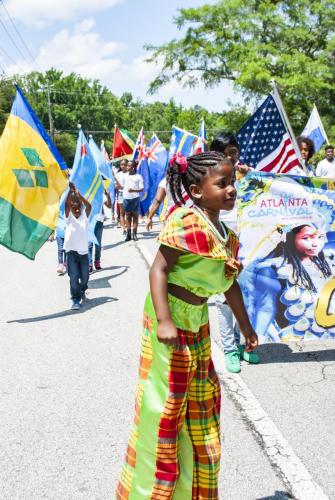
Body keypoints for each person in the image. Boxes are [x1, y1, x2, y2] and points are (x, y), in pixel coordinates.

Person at [116, 151, 258, 499]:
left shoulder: (225, 234)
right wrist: (164, 320)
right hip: (170, 319)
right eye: (221, 184)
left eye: (232, 184)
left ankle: (193, 492)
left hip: (197, 320)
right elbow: (158, 270)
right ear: (196, 190)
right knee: (165, 409)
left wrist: (246, 326)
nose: (230, 190)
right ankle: (151, 493)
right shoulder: (185, 222)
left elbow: (229, 283)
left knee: (201, 406)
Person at [210, 130, 259, 373]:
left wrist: (252, 180)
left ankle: (242, 346)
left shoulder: (244, 176)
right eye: (227, 153)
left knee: (243, 297)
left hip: (245, 244)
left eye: (235, 152)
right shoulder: (211, 178)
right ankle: (229, 349)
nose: (233, 157)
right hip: (221, 243)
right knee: (223, 299)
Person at [240, 223, 334, 342]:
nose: (315, 243)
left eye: (319, 237)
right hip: (290, 324)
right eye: (306, 238)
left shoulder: (327, 257)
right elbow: (266, 308)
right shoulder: (274, 265)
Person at [64, 182, 91, 310]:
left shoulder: (84, 217)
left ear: (81, 207)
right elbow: (67, 204)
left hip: (84, 253)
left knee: (85, 277)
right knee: (73, 276)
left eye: (78, 207)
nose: (76, 209)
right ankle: (75, 299)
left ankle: (82, 289)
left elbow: (89, 205)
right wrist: (70, 192)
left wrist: (80, 196)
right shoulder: (69, 218)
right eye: (73, 207)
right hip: (71, 252)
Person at [88, 190, 111, 272]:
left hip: (99, 221)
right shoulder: (86, 193)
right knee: (89, 244)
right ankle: (89, 264)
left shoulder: (100, 194)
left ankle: (97, 261)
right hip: (89, 222)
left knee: (98, 244)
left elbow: (109, 206)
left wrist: (108, 196)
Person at [120, 160, 144, 241]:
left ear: (133, 167)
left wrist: (134, 190)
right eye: (127, 166)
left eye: (129, 166)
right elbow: (122, 186)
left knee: (135, 216)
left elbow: (141, 188)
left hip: (135, 199)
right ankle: (128, 234)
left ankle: (135, 234)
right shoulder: (124, 176)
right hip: (126, 198)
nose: (127, 167)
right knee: (128, 216)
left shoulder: (138, 176)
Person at [115, 159, 128, 233]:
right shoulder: (117, 175)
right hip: (120, 194)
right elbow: (116, 186)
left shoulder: (130, 174)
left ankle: (129, 227)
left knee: (128, 212)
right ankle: (124, 229)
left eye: (125, 164)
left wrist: (123, 187)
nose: (123, 166)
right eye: (122, 165)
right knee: (122, 212)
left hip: (129, 195)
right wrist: (118, 186)